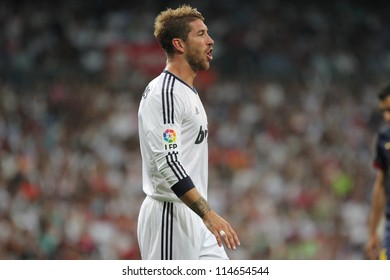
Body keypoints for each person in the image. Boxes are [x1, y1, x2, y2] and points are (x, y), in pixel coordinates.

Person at [137, 5, 240, 260]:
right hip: (170, 215)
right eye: (201, 34)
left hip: (193, 215)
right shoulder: (167, 93)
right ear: (179, 44)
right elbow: (168, 161)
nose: (210, 40)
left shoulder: (185, 91)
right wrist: (207, 213)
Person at [366, 83, 390, 260]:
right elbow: (380, 184)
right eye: (384, 111)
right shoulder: (384, 138)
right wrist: (373, 232)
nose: (387, 117)